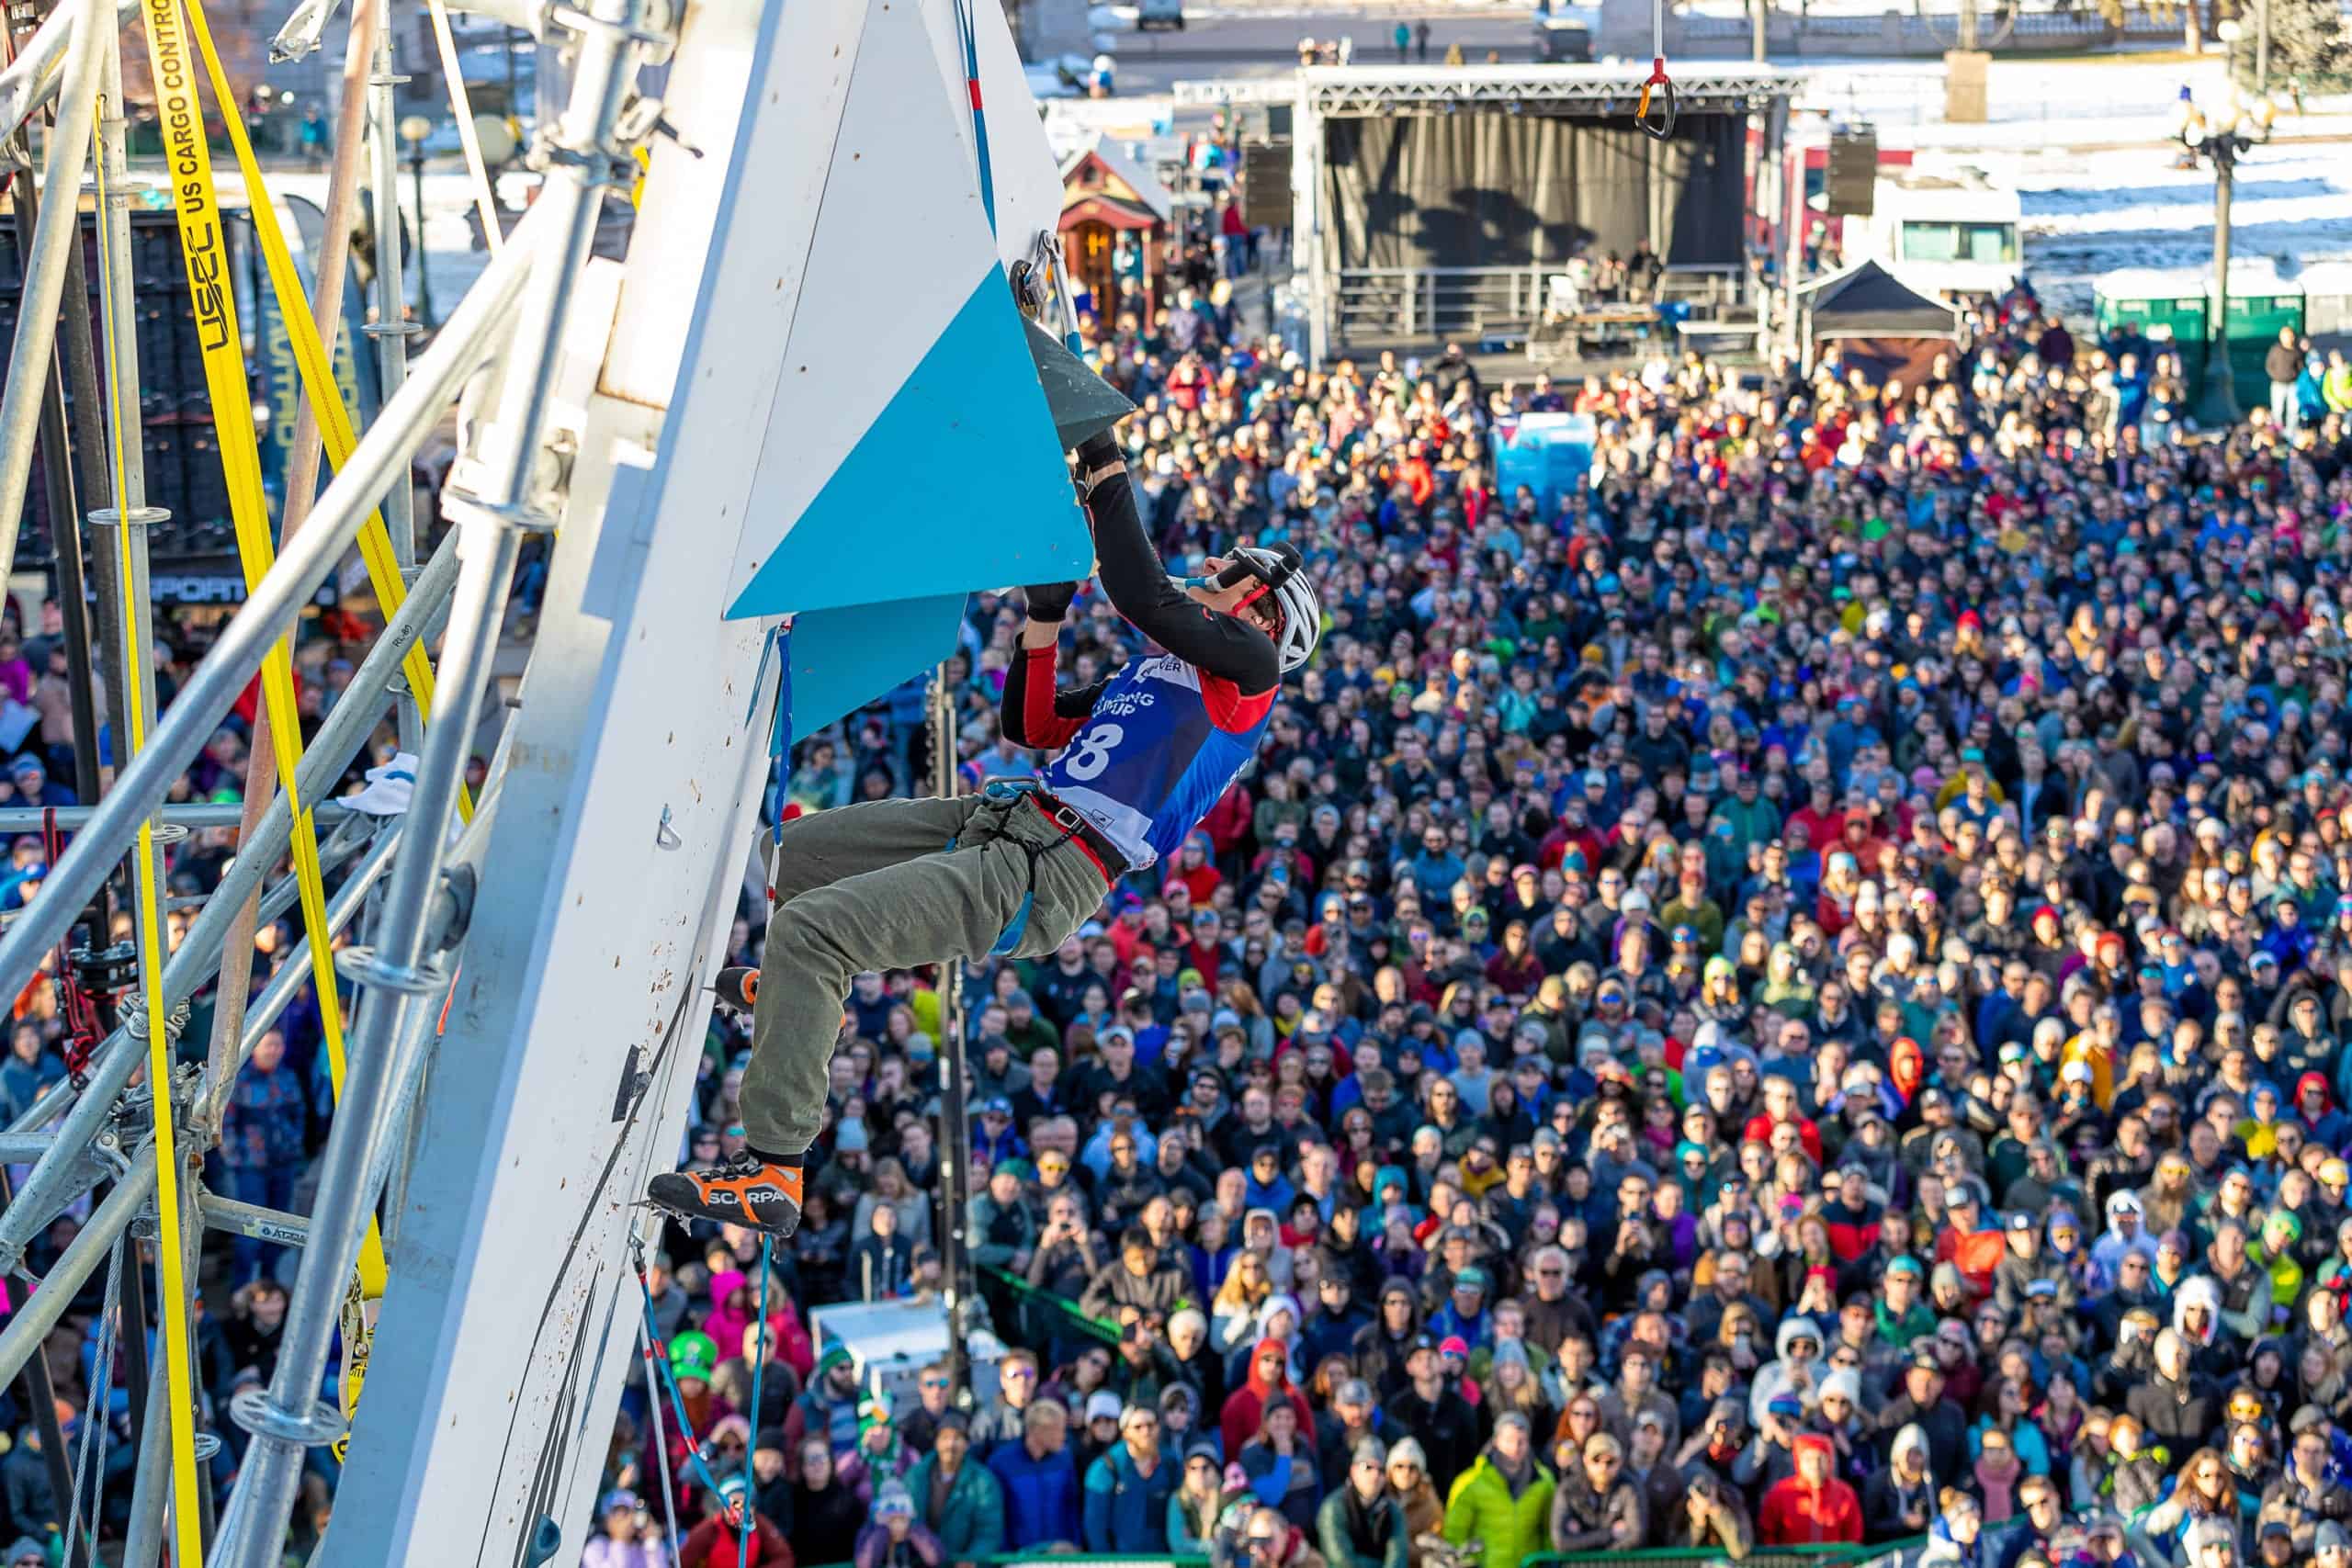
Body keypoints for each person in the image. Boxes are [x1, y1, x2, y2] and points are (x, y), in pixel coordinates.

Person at [650, 426, 1319, 1235]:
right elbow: (1033, 725)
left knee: (810, 934)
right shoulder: (1162, 674)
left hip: (1050, 868)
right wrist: (1043, 622)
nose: (1214, 566)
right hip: (1012, 817)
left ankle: (774, 1170)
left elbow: (1143, 592)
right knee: (792, 857)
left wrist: (1106, 464)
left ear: (1262, 609)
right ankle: (791, 1005)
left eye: (1234, 570)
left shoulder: (1249, 677)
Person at [1443, 1411, 1555, 1568]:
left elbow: (1548, 1531)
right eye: (1509, 1440)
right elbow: (1454, 1533)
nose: (1515, 1447)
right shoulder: (1471, 1482)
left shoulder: (1544, 1482)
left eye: (1521, 1441)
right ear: (1496, 1441)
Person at [1084, 1403, 1179, 1551]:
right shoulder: (1105, 1468)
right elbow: (1095, 1527)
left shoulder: (1171, 1463)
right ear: (1125, 1432)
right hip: (1121, 1561)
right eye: (1138, 1427)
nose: (1146, 1431)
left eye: (1151, 1425)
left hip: (1162, 1560)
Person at [1317, 1436, 1408, 1568]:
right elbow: (1342, 1561)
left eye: (1381, 1470)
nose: (1376, 1475)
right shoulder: (1333, 1507)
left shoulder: (1392, 1510)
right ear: (1353, 1471)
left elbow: (1398, 1556)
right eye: (1368, 1467)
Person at [684, 1475, 790, 1568]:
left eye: (746, 1505)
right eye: (734, 1505)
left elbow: (783, 1557)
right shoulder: (708, 1530)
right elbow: (683, 1563)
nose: (740, 1511)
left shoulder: (760, 1524)